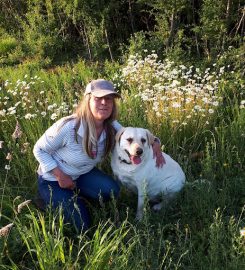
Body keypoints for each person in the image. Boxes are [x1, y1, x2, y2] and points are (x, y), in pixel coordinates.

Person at [33, 79, 165, 232]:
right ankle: (45, 198)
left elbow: (134, 137)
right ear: (88, 100)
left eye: (109, 98)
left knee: (112, 191)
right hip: (53, 179)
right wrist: (60, 175)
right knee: (82, 226)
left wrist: (156, 143)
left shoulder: (111, 125)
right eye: (98, 98)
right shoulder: (69, 126)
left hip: (82, 174)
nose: (104, 102)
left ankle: (78, 193)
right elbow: (39, 149)